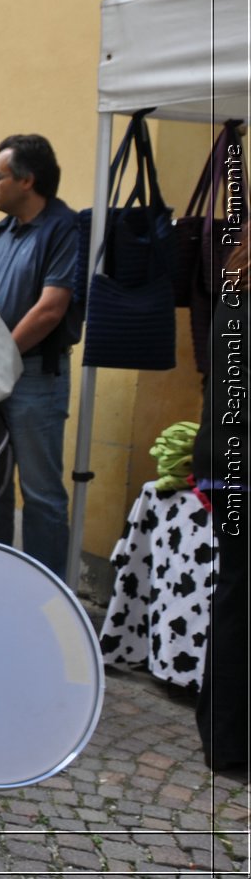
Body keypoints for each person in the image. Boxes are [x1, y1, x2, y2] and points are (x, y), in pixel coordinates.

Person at [0, 134, 82, 576]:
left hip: (36, 378)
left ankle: (46, 598)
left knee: (40, 493)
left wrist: (0, 357)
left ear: (27, 180)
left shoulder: (64, 229)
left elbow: (51, 309)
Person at [194, 236, 248, 772]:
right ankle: (232, 741)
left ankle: (222, 736)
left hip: (223, 460)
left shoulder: (237, 288)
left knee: (236, 598)